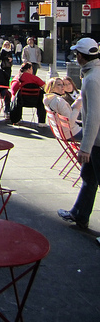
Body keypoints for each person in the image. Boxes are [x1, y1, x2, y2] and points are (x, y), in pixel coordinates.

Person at [58, 38, 100, 229]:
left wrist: (85, 147)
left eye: (76, 54)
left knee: (91, 178)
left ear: (81, 56)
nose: (75, 57)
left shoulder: (92, 79)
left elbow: (93, 116)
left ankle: (80, 214)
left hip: (98, 141)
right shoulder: (93, 74)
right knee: (88, 178)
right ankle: (79, 213)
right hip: (96, 140)